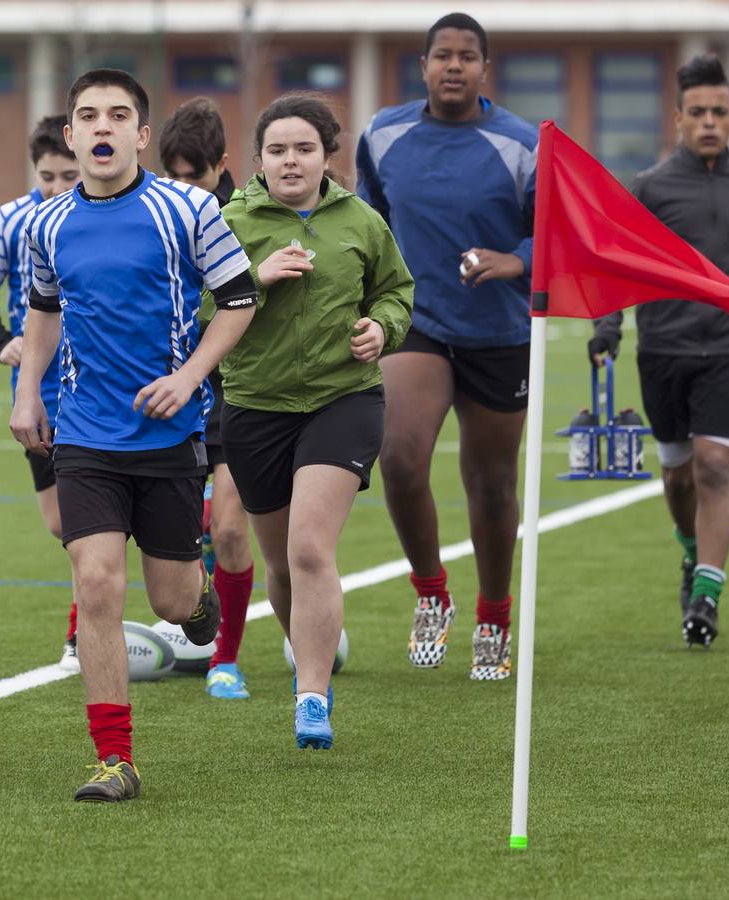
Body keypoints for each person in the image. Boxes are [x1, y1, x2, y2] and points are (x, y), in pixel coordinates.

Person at [10, 68, 252, 802]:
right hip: (84, 434)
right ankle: (114, 758)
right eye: (89, 116)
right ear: (73, 134)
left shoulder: (185, 210)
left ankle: (200, 598)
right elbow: (43, 314)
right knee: (95, 583)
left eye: (118, 115)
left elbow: (240, 298)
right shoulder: (46, 223)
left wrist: (190, 376)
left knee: (173, 601)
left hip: (170, 434)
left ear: (141, 136)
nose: (103, 127)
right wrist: (27, 394)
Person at [219, 94, 413, 747]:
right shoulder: (229, 223)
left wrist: (379, 329)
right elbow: (190, 310)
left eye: (304, 148)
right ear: (259, 159)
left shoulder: (360, 220)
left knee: (308, 547)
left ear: (327, 155)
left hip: (343, 398)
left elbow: (395, 291)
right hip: (254, 404)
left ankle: (309, 698)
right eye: (277, 150)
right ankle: (311, 653)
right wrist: (255, 275)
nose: (290, 160)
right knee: (278, 564)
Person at [355, 12, 536, 680]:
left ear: (485, 69)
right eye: (441, 56)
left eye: (466, 57)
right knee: (398, 458)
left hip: (498, 330)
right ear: (423, 66)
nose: (453, 66)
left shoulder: (521, 145)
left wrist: (512, 260)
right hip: (414, 320)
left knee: (490, 485)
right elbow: (363, 217)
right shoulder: (383, 133)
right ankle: (431, 596)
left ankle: (493, 617)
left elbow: (554, 235)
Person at [589, 54, 729, 648]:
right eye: (698, 112)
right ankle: (691, 554)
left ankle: (707, 597)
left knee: (714, 466)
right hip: (662, 348)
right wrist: (608, 327)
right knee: (676, 478)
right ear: (679, 118)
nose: (710, 121)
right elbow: (616, 264)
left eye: (719, 111)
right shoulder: (649, 187)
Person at [0, 115, 83, 671]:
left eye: (67, 174)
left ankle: (82, 632)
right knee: (62, 524)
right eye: (47, 175)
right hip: (36, 389)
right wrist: (3, 343)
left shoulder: (112, 213)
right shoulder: (12, 220)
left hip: (100, 385)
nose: (56, 187)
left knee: (88, 520)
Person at [160, 96, 258, 700]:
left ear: (221, 166)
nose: (182, 187)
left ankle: (227, 659)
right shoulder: (149, 213)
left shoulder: (245, 218)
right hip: (168, 394)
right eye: (172, 174)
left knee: (229, 530)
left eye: (193, 175)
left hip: (233, 391)